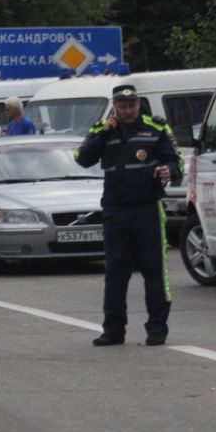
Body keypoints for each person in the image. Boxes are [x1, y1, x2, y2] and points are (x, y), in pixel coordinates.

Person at [75, 83, 181, 346]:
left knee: (154, 271)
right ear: (115, 107)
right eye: (122, 106)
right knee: (115, 273)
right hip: (115, 210)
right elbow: (82, 157)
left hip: (147, 209)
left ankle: (157, 329)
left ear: (138, 104)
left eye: (131, 105)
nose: (127, 110)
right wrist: (104, 134)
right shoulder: (103, 129)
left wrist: (169, 170)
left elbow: (175, 161)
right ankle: (113, 330)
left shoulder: (156, 127)